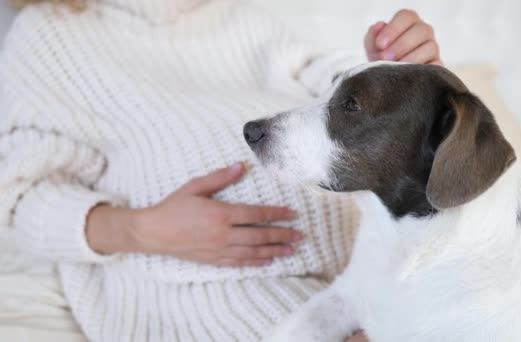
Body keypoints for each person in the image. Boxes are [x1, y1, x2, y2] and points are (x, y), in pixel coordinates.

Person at [0, 0, 440, 341]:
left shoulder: (235, 13)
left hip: (354, 257)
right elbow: (18, 198)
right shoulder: (46, 38)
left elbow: (325, 78)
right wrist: (143, 230)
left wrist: (389, 74)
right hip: (200, 283)